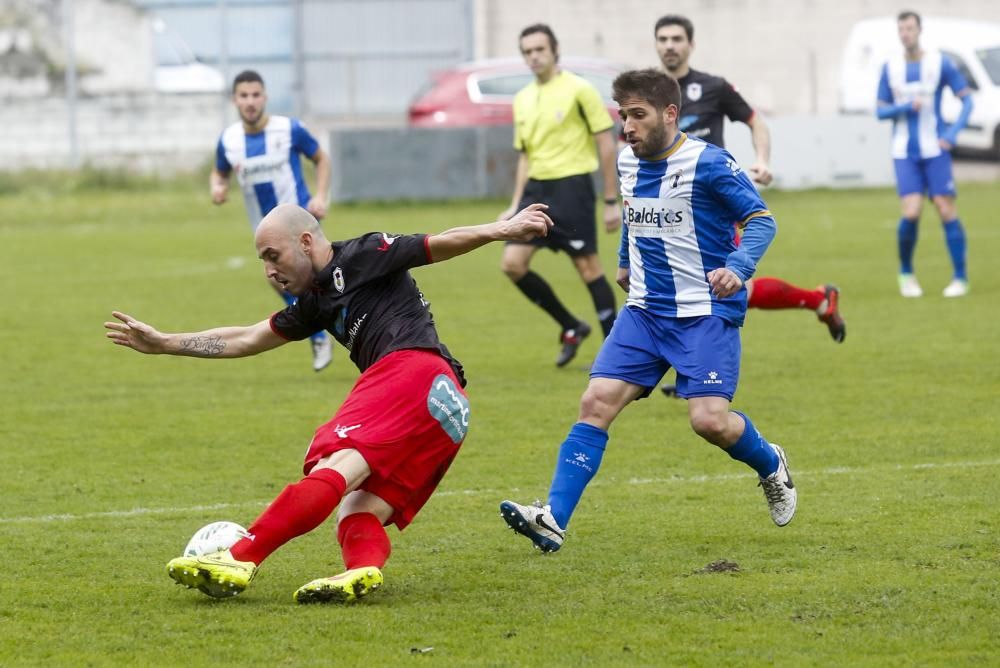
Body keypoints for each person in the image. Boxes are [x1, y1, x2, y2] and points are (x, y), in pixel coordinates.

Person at [105, 202, 554, 603]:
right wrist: (166, 343)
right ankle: (362, 569)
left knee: (334, 464)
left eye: (272, 256)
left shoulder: (363, 253)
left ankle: (240, 556)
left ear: (305, 241)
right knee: (357, 510)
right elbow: (247, 337)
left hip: (413, 371)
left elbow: (436, 244)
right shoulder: (314, 302)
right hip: (449, 407)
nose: (268, 271)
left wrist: (501, 229)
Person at [500, 69, 797, 554]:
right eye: (624, 116)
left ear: (669, 114)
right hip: (645, 311)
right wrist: (622, 262)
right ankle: (553, 518)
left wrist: (739, 267)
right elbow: (635, 217)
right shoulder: (627, 162)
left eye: (638, 116)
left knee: (709, 422)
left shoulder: (709, 163)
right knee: (595, 402)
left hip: (704, 311)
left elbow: (761, 219)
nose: (628, 127)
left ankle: (770, 463)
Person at [653, 14, 845, 398]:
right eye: (663, 39)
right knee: (699, 284)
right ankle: (819, 300)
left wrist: (763, 159)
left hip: (713, 205)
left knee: (722, 285)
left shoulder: (714, 87)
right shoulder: (651, 92)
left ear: (691, 44)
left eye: (677, 38)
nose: (670, 45)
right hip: (668, 208)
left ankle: (696, 372)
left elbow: (757, 122)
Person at [499, 23, 621, 368]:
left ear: (554, 50)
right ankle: (571, 325)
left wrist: (611, 201)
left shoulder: (579, 90)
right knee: (512, 264)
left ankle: (617, 355)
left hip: (573, 188)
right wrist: (513, 204)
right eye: (527, 51)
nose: (534, 56)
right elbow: (524, 155)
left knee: (588, 268)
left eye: (539, 49)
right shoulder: (522, 99)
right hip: (536, 190)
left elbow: (606, 144)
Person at [211, 69, 334, 371]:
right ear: (234, 100)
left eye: (255, 95)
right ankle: (320, 332)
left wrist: (320, 195)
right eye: (244, 96)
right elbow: (220, 170)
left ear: (264, 97)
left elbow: (321, 158)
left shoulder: (289, 129)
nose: (250, 102)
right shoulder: (229, 140)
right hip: (264, 233)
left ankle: (332, 330)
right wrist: (218, 185)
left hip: (299, 225)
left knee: (320, 281)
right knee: (283, 284)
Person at [877, 10, 973, 298]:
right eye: (901, 29)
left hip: (936, 150)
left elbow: (967, 101)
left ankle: (961, 277)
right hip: (904, 152)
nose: (905, 33)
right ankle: (906, 273)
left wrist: (952, 134)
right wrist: (905, 107)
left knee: (945, 209)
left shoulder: (939, 62)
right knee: (912, 211)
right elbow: (880, 110)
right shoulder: (890, 67)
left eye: (910, 28)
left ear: (919, 30)